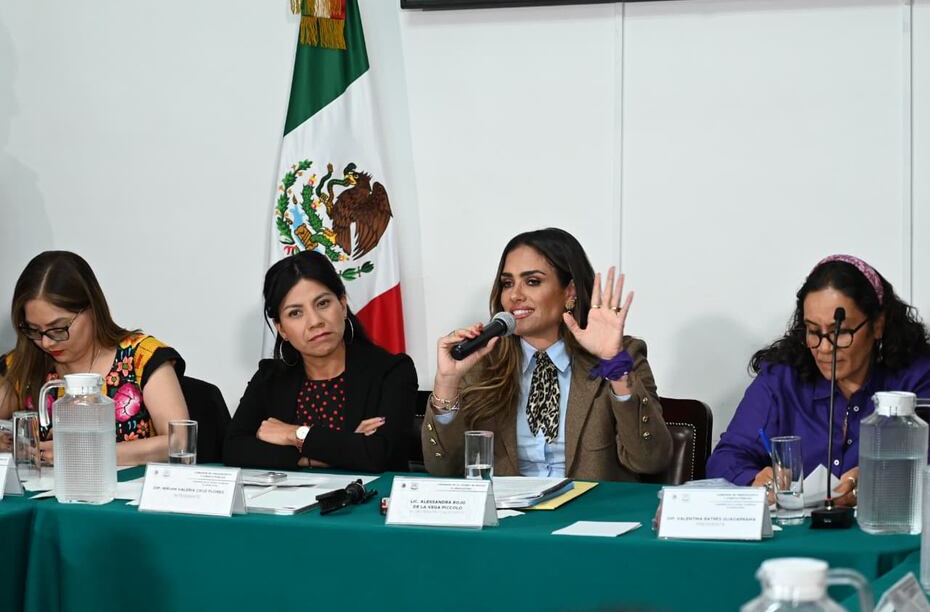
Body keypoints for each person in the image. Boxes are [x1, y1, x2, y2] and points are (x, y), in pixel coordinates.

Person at [422, 228, 672, 481]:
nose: (515, 295)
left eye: (532, 281)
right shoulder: (482, 361)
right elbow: (443, 469)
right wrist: (447, 382)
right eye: (507, 283)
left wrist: (614, 363)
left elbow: (650, 460)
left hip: (590, 514)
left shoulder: (621, 356)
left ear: (570, 292)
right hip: (509, 516)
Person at [706, 255, 930, 506]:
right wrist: (757, 480)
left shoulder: (917, 379)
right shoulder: (782, 378)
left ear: (877, 325)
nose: (824, 348)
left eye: (840, 333)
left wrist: (877, 480)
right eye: (813, 332)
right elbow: (725, 458)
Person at [224, 250, 417, 472]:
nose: (315, 321)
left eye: (323, 303)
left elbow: (377, 455)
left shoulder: (392, 371)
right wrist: (340, 449)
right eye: (295, 313)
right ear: (281, 329)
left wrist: (292, 434)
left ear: (343, 305)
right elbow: (233, 448)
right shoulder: (269, 377)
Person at [0, 251, 190, 465]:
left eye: (58, 328)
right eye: (34, 330)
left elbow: (180, 441)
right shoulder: (25, 362)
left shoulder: (141, 357)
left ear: (91, 309)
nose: (47, 343)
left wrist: (89, 451)